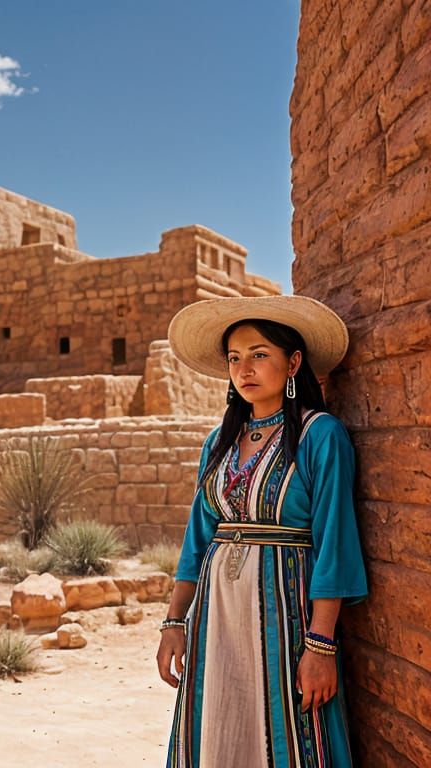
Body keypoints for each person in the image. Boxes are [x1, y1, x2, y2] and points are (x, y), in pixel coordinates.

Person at [157, 294, 368, 768]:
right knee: (220, 725)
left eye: (259, 355)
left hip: (287, 620)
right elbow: (197, 542)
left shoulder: (320, 436)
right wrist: (174, 623)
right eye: (235, 358)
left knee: (289, 734)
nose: (244, 369)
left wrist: (320, 645)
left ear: (293, 362)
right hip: (217, 621)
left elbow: (333, 544)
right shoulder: (218, 442)